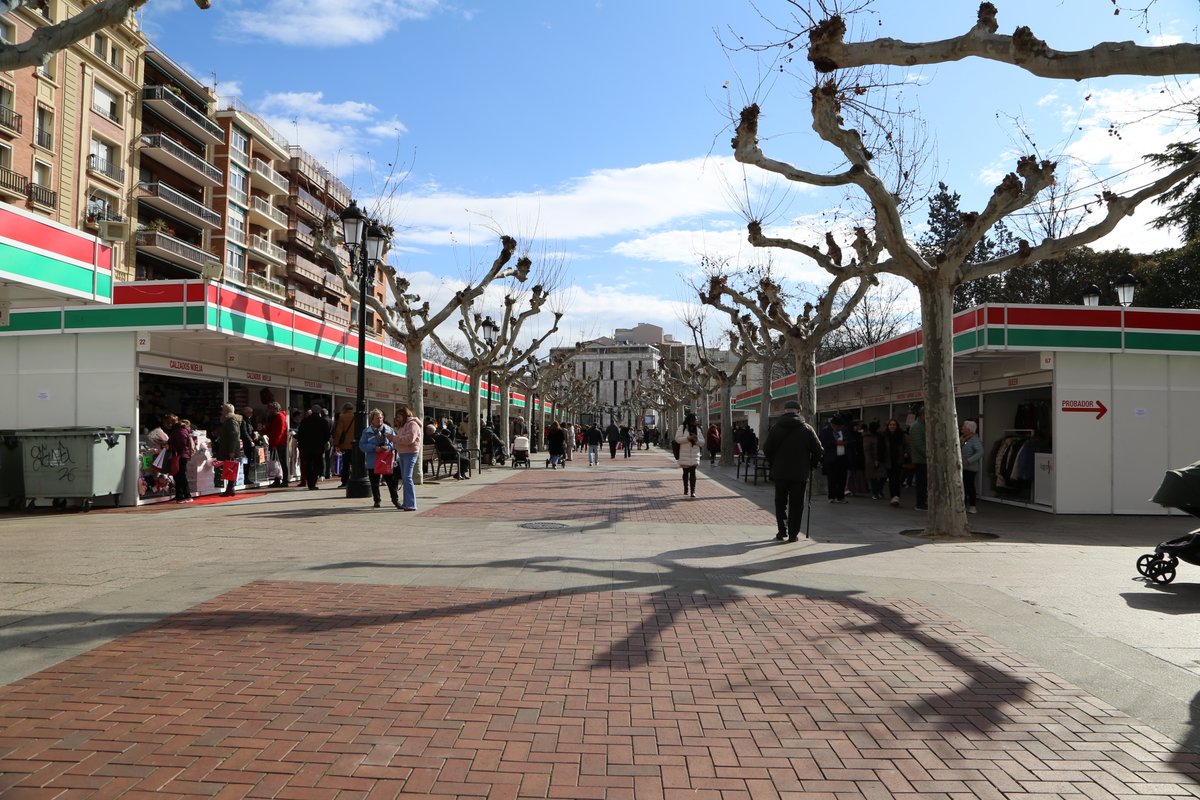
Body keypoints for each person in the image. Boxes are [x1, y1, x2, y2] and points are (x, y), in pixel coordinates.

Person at [763, 399, 823, 542]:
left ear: (785, 411)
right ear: (799, 411)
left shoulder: (776, 428)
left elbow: (766, 449)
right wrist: (812, 464)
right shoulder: (807, 429)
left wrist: (774, 463)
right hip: (800, 473)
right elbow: (818, 450)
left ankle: (782, 530)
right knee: (797, 504)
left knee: (780, 502)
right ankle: (793, 534)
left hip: (780, 472)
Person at [359, 408, 400, 509]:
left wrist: (389, 447)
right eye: (377, 418)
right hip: (373, 461)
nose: (380, 420)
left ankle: (395, 500)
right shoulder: (366, 432)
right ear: (372, 420)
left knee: (391, 482)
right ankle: (377, 501)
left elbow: (395, 442)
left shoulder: (389, 429)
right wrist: (374, 448)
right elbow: (362, 445)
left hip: (386, 460)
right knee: (374, 482)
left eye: (381, 418)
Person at [391, 405, 422, 511]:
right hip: (403, 453)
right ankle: (407, 502)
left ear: (404, 415)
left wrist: (394, 438)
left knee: (407, 477)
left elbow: (409, 439)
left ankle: (411, 504)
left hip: (410, 453)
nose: (397, 418)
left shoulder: (412, 424)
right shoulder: (403, 425)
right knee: (405, 478)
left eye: (399, 416)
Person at [296, 404, 332, 490]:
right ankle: (313, 482)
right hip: (318, 447)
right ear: (319, 411)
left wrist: (301, 444)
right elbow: (327, 435)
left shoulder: (305, 421)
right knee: (316, 464)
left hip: (307, 447)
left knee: (308, 464)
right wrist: (323, 442)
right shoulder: (323, 422)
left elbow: (300, 434)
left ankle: (310, 483)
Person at [213, 403, 244, 498]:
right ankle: (230, 489)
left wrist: (232, 451)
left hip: (229, 449)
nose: (221, 412)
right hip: (229, 448)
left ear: (226, 411)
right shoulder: (230, 421)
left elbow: (234, 437)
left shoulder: (231, 421)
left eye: (223, 410)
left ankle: (230, 489)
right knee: (230, 468)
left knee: (231, 468)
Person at [164, 413, 194, 503]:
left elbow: (182, 444)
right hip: (181, 455)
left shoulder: (179, 430)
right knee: (178, 475)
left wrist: (170, 446)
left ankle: (186, 495)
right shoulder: (178, 429)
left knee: (180, 476)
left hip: (180, 455)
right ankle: (179, 495)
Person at [819, 415, 849, 503]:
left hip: (843, 457)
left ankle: (840, 497)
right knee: (832, 479)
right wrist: (835, 443)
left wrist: (845, 442)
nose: (838, 428)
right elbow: (823, 442)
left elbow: (850, 439)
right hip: (831, 459)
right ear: (833, 425)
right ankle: (831, 496)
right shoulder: (826, 431)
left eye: (840, 427)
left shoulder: (844, 430)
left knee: (842, 478)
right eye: (837, 426)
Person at [879, 418, 908, 507]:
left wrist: (906, 453)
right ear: (888, 426)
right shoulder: (884, 435)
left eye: (894, 425)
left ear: (897, 426)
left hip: (898, 459)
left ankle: (896, 497)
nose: (892, 426)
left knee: (897, 479)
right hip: (888, 460)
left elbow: (905, 445)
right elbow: (880, 448)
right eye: (890, 425)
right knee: (891, 479)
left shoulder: (901, 435)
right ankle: (893, 497)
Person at [675, 412, 703, 497]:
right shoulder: (682, 428)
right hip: (685, 454)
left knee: (693, 473)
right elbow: (677, 439)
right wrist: (687, 438)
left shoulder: (698, 430)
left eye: (697, 420)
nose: (696, 421)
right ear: (690, 420)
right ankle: (686, 488)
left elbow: (702, 442)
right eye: (695, 419)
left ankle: (693, 491)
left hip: (694, 455)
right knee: (686, 473)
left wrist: (696, 440)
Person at [264, 401, 289, 488]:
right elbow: (273, 431)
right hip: (276, 443)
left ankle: (285, 480)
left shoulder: (280, 417)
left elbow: (280, 432)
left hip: (279, 444)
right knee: (276, 462)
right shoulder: (275, 417)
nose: (269, 410)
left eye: (270, 409)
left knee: (282, 462)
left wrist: (275, 444)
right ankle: (277, 480)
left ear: (275, 408)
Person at [331, 403, 357, 487]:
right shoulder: (356, 417)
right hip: (355, 444)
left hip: (345, 444)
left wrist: (336, 443)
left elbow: (339, 431)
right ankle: (355, 479)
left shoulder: (342, 417)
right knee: (355, 463)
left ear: (345, 409)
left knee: (346, 464)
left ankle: (345, 481)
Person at [960, 419, 983, 514]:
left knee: (969, 486)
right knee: (963, 486)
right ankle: (963, 505)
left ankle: (972, 506)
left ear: (969, 429)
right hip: (962, 467)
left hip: (970, 468)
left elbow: (980, 452)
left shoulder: (974, 439)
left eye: (964, 427)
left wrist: (969, 461)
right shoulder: (963, 438)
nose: (962, 428)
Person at [909, 406, 928, 510]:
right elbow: (918, 445)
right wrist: (929, 456)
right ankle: (920, 503)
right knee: (921, 482)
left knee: (924, 483)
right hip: (921, 460)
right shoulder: (917, 426)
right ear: (923, 415)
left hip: (923, 459)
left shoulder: (922, 425)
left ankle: (922, 502)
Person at [863, 421, 885, 500]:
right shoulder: (867, 437)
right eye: (878, 428)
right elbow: (867, 450)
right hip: (872, 460)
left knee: (883, 476)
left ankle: (878, 490)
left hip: (881, 459)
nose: (879, 429)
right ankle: (875, 493)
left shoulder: (880, 436)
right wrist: (872, 461)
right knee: (873, 478)